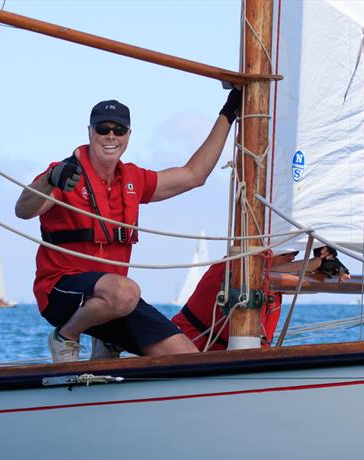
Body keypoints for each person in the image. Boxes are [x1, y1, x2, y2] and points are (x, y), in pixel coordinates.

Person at [15, 92, 243, 362]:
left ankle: (105, 343)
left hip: (115, 302)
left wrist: (229, 112)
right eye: (103, 129)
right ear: (90, 132)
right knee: (126, 291)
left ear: (128, 135)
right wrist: (50, 180)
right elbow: (23, 210)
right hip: (61, 292)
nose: (111, 136)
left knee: (187, 357)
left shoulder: (133, 179)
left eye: (118, 130)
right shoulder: (65, 172)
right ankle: (65, 336)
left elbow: (194, 175)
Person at [172, 246, 348, 349]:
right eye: (287, 253)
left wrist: (327, 266)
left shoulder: (277, 280)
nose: (292, 258)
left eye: (294, 255)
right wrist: (316, 263)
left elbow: (306, 286)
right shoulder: (235, 266)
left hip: (238, 360)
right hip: (188, 349)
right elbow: (260, 273)